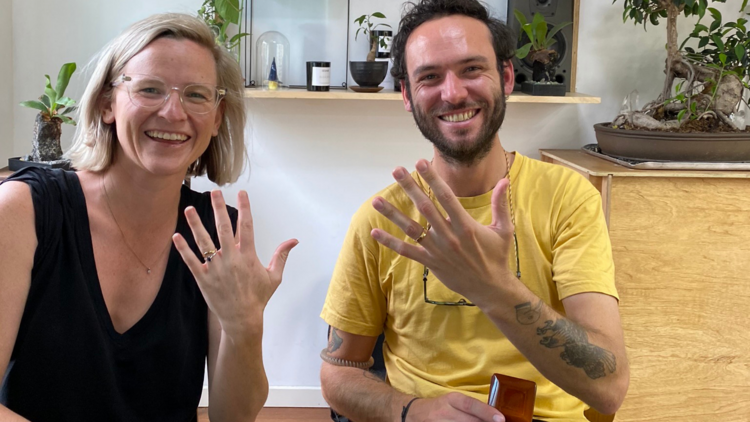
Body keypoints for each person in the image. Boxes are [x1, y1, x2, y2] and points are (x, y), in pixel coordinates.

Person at [319, 1, 629, 421]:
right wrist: (413, 411)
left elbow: (608, 388)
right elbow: (338, 373)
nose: (453, 92)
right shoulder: (381, 220)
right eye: (429, 77)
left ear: (506, 77)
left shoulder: (567, 198)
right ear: (407, 96)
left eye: (471, 69)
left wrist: (492, 288)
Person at [0, 13, 297, 422]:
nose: (174, 113)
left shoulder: (215, 233)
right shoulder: (24, 208)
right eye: (150, 89)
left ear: (216, 117)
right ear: (108, 103)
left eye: (196, 95)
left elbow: (234, 416)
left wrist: (245, 327)